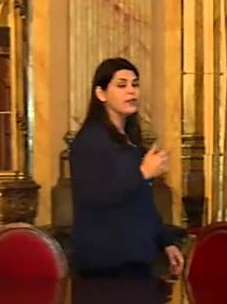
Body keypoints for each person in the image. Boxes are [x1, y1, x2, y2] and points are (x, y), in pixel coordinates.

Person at [69, 57, 184, 278]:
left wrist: (166, 242)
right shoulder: (89, 141)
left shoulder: (130, 140)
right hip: (105, 264)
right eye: (121, 85)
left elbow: (141, 203)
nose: (131, 91)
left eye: (135, 84)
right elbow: (94, 196)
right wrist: (143, 173)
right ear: (101, 93)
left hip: (136, 259)